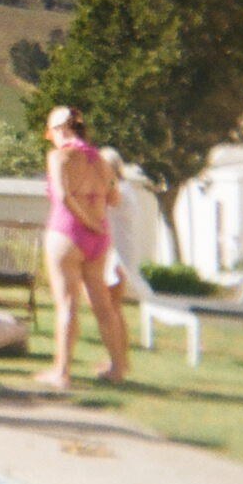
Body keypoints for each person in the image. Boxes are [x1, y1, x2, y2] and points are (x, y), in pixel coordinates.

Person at [34, 106, 129, 388]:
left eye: (49, 131)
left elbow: (63, 196)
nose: (49, 138)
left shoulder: (60, 157)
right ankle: (116, 369)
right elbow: (115, 199)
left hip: (67, 233)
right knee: (103, 305)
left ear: (60, 130)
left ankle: (62, 372)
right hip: (98, 238)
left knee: (67, 304)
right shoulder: (101, 160)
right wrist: (96, 218)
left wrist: (87, 220)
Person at [96, 146, 143, 375]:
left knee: (111, 310)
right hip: (119, 254)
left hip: (118, 257)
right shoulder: (126, 189)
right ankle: (118, 360)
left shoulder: (119, 192)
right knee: (113, 309)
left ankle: (118, 363)